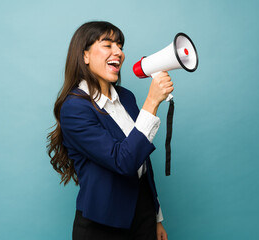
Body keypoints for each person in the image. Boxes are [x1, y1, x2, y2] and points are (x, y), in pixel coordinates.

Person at [47, 21, 172, 240]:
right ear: (85, 55)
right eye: (108, 44)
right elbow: (123, 161)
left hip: (143, 213)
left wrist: (156, 217)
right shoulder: (74, 108)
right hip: (103, 223)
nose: (119, 52)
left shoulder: (126, 97)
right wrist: (151, 102)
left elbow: (142, 162)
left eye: (120, 46)